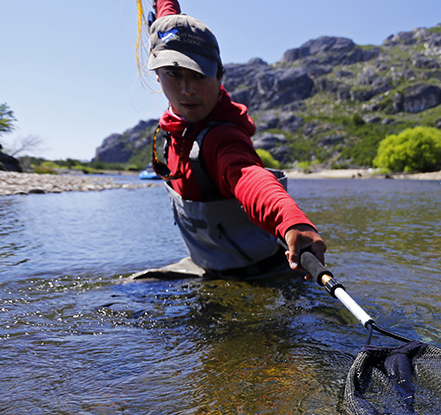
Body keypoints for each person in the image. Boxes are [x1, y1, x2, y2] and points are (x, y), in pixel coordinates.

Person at [133, 0, 327, 280]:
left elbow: (250, 178)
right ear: (157, 72)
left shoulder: (223, 139)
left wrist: (292, 221)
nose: (187, 90)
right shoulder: (178, 117)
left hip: (260, 276)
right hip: (205, 265)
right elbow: (167, 17)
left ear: (219, 76)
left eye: (199, 75)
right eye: (174, 73)